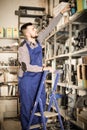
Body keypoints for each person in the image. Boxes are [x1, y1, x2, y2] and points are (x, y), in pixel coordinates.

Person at [18, 3, 69, 130]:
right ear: (27, 33)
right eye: (33, 29)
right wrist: (42, 68)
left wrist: (61, 13)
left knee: (39, 103)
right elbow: (26, 67)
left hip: (38, 79)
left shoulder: (38, 40)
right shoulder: (23, 48)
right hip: (27, 80)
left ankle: (38, 127)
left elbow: (49, 28)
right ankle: (27, 128)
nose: (36, 30)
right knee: (27, 106)